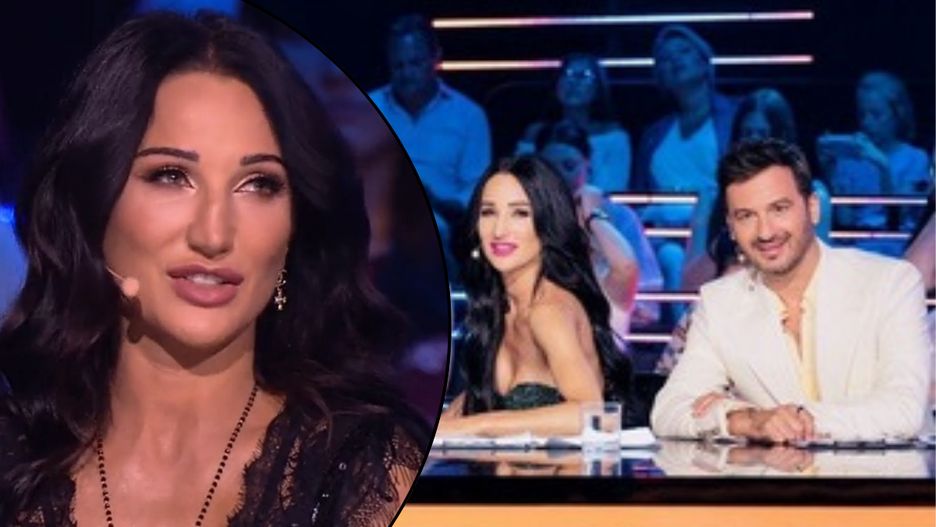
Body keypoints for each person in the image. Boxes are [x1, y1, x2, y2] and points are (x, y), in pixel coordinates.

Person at [0, 12, 429, 526]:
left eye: (259, 184)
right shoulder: (14, 458)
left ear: (293, 230)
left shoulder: (369, 475)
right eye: (170, 175)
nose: (214, 234)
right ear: (94, 205)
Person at [651, 139, 930, 442]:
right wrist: (749, 420)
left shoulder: (891, 283)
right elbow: (668, 411)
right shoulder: (719, 303)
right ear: (731, 226)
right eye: (746, 216)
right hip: (776, 473)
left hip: (887, 472)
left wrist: (787, 419)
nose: (765, 232)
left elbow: (903, 411)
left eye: (779, 209)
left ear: (812, 208)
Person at [436, 156, 632, 437]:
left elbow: (591, 413)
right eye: (488, 212)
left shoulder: (548, 310)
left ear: (546, 222)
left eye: (520, 213)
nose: (499, 230)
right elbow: (470, 406)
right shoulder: (502, 307)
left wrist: (473, 426)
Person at [368, 13, 491, 266]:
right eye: (398, 66)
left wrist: (441, 202)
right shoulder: (367, 108)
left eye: (415, 63)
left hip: (440, 219)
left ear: (436, 59)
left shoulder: (468, 115)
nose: (407, 73)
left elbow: (476, 188)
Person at [682, 88, 832, 292]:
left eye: (762, 135)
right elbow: (688, 283)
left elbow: (817, 275)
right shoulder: (711, 197)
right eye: (747, 134)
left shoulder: (813, 197)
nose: (753, 146)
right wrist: (724, 244)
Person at [632, 25, 738, 302]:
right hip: (663, 230)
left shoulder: (735, 116)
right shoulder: (654, 134)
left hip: (716, 225)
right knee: (670, 257)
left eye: (683, 51)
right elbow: (639, 193)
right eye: (665, 58)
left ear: (704, 61)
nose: (675, 60)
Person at [535, 120, 663, 332]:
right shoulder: (524, 215)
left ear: (588, 165)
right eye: (549, 168)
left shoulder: (620, 217)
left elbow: (646, 304)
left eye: (569, 166)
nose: (559, 176)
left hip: (605, 329)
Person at [818, 71, 931, 256]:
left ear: (897, 115)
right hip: (859, 247)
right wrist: (830, 172)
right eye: (862, 114)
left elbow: (897, 218)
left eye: (876, 115)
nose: (867, 122)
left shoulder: (915, 159)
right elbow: (846, 220)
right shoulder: (851, 160)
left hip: (898, 248)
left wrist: (882, 166)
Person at [516, 53, 632, 192]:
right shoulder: (535, 133)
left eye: (585, 75)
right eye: (567, 74)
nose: (574, 82)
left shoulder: (613, 136)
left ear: (598, 88)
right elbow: (522, 184)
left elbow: (612, 188)